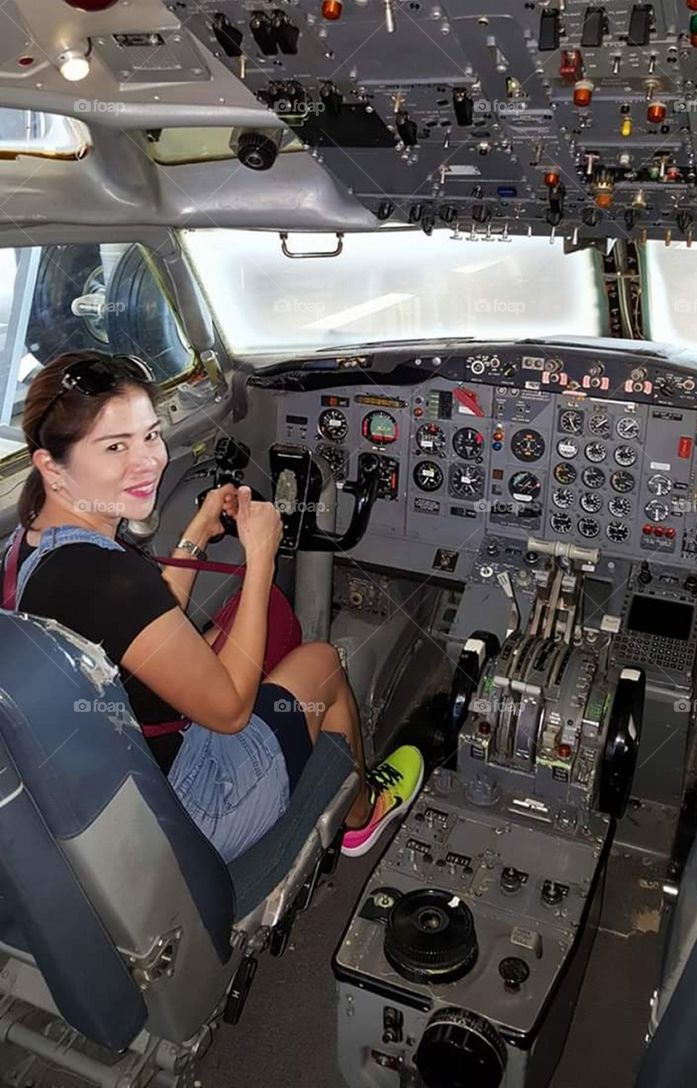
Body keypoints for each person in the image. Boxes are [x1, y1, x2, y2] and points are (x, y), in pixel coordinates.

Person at [10, 350, 424, 862]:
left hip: (113, 791)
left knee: (217, 641)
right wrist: (261, 555)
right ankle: (362, 815)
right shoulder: (111, 579)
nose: (149, 461)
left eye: (150, 435)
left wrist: (195, 536)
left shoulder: (34, 549)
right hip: (190, 809)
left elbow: (141, 621)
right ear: (52, 467)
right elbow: (230, 712)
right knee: (320, 664)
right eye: (115, 446)